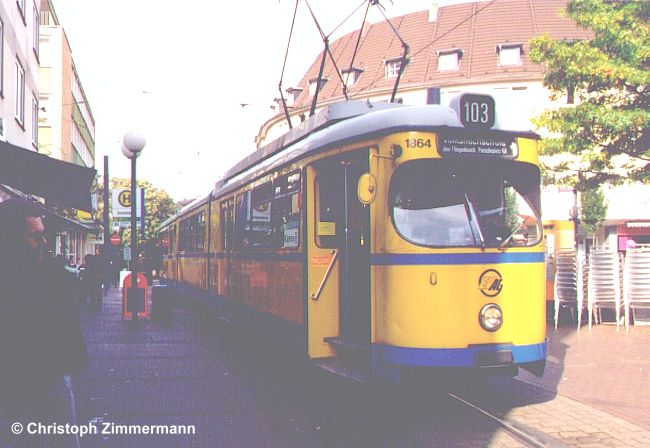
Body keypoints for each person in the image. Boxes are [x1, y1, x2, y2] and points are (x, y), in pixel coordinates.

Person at [0, 200, 87, 448]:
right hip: (43, 391)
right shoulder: (49, 281)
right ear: (9, 239)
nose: (44, 243)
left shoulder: (50, 277)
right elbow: (74, 350)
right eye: (35, 236)